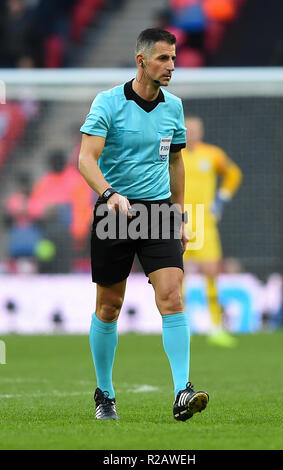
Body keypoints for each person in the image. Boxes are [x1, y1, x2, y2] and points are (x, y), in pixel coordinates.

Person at [78, 28, 209, 421]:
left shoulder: (175, 108)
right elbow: (86, 158)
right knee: (108, 306)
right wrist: (109, 195)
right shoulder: (108, 103)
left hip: (158, 212)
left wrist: (180, 213)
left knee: (172, 296)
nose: (171, 66)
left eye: (173, 58)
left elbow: (175, 162)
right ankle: (105, 394)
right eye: (163, 59)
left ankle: (183, 392)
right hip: (113, 213)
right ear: (141, 61)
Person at [183, 116, 243, 346]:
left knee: (211, 272)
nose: (192, 133)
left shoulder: (212, 154)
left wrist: (222, 197)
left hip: (204, 222)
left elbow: (234, 174)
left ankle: (216, 327)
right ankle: (180, 327)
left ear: (202, 132)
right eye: (188, 129)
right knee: (177, 276)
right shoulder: (171, 154)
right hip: (177, 220)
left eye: (196, 129)